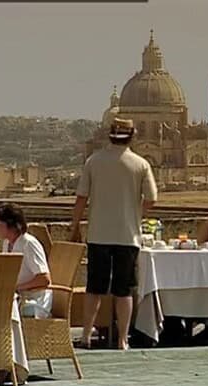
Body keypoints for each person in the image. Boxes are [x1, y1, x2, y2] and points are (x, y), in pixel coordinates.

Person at [71, 118, 158, 350]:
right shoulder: (140, 164)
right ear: (132, 136)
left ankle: (86, 336)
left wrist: (75, 226)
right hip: (127, 236)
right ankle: (122, 339)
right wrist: (134, 214)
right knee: (124, 289)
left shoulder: (94, 161)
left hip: (99, 234)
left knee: (94, 288)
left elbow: (81, 198)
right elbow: (151, 198)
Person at [0, 203, 52, 318]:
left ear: (11, 225)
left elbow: (44, 279)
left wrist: (16, 287)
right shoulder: (7, 244)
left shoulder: (28, 244)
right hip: (17, 297)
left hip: (34, 300)